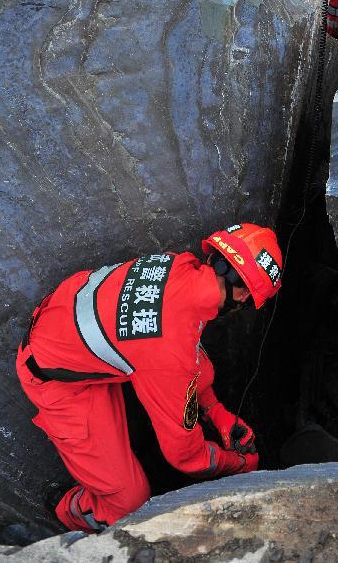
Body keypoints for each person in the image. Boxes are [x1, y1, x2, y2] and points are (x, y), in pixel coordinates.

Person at [16, 223, 282, 533]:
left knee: (190, 367)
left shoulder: (179, 265)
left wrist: (216, 412)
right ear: (244, 293)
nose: (243, 309)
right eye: (249, 302)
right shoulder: (170, 350)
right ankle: (70, 510)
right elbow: (185, 457)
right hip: (58, 380)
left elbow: (185, 353)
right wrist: (238, 464)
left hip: (68, 323)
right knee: (129, 503)